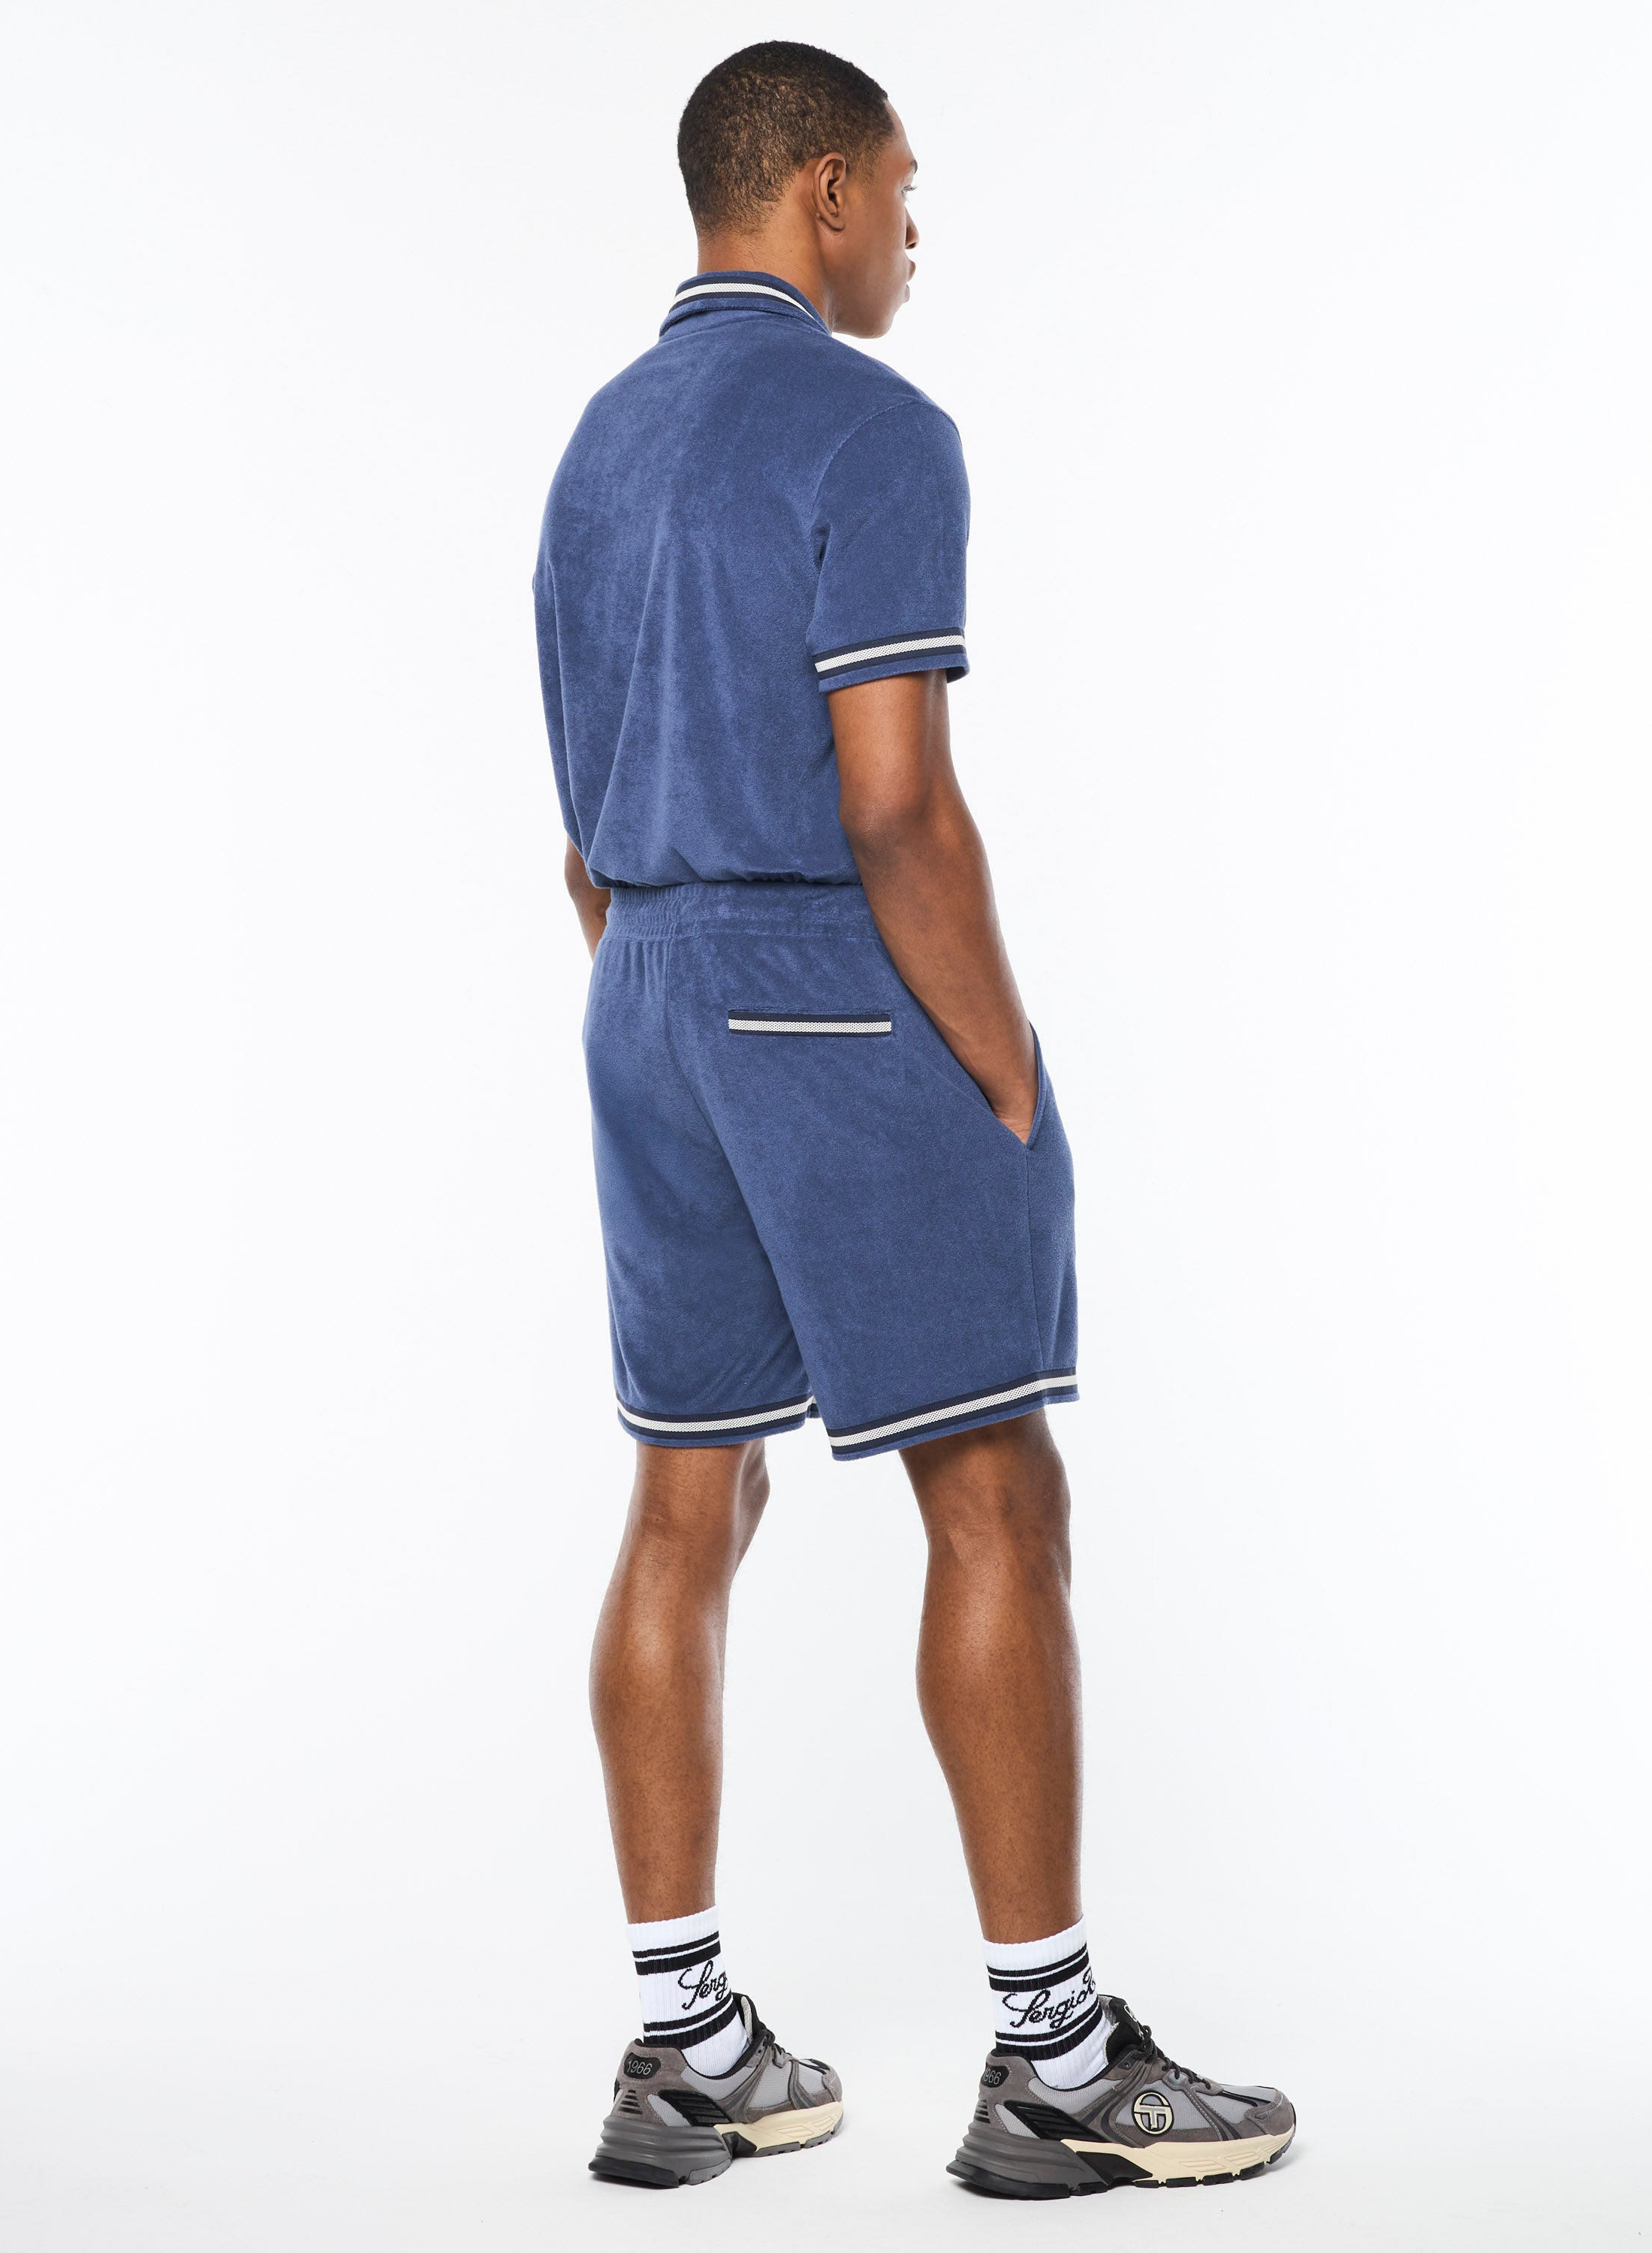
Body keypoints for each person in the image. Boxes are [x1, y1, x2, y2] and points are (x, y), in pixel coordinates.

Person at [534, 40, 1294, 2198]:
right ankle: (1055, 2064)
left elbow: (581, 832)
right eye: (903, 184)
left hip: (643, 992)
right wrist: (1000, 1058)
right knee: (994, 1489)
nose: (917, 229)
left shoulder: (595, 444)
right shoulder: (873, 426)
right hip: (824, 992)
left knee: (687, 1502)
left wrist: (675, 1002)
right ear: (825, 195)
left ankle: (686, 2050)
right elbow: (896, 808)